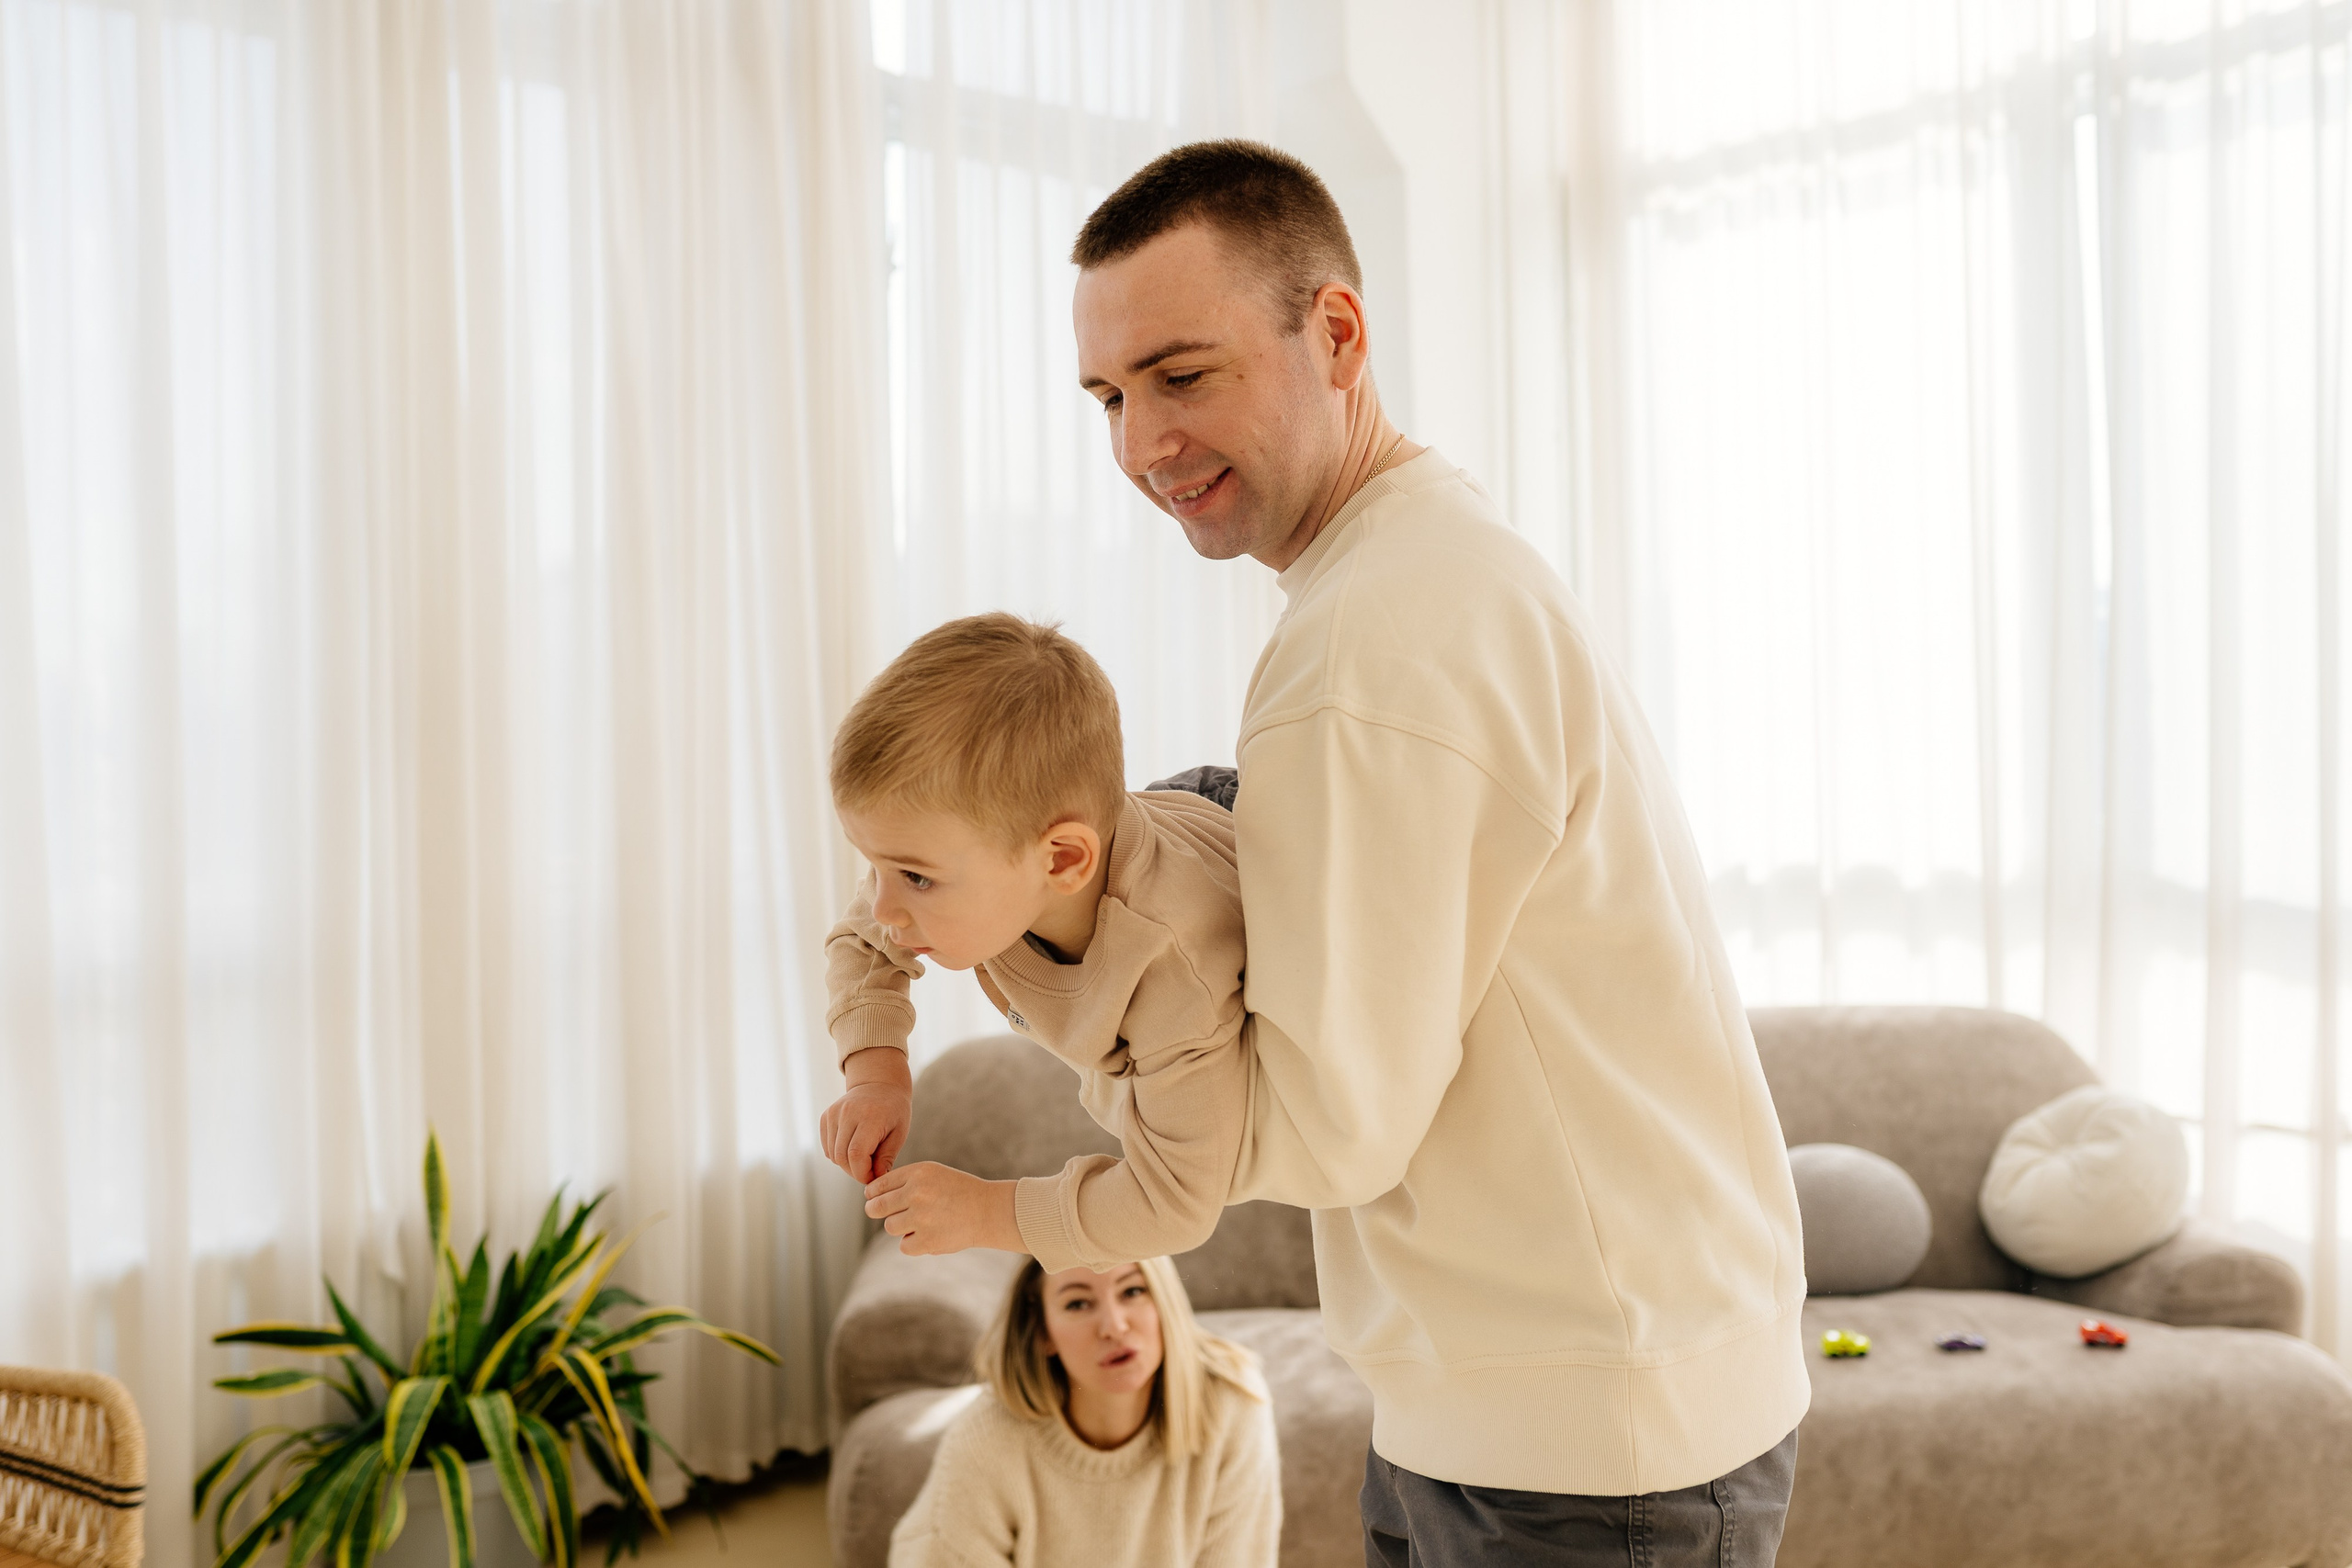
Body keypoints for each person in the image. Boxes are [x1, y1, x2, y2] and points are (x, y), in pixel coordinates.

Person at [1069, 140, 1810, 1564]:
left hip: (1590, 1442)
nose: (1137, 443)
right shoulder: (1418, 558)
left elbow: (1329, 1123)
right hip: (1510, 1398)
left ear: (1334, 332)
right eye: (1109, 396)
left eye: (1181, 374)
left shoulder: (1373, 634)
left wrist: (1055, 963)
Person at [817, 612, 1253, 1273]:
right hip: (1138, 830)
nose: (883, 907)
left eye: (912, 876)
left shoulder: (1173, 968)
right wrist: (876, 1075)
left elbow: (1176, 1202)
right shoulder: (979, 871)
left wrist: (986, 1211)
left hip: (1229, 833)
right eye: (875, 865)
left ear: (1059, 862)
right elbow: (862, 942)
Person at [889, 1255, 1281, 1567]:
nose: (1113, 1326)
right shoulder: (987, 1438)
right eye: (1078, 1303)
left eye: (1132, 1291)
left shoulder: (1233, 1403)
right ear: (1043, 1332)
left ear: (1164, 1299)